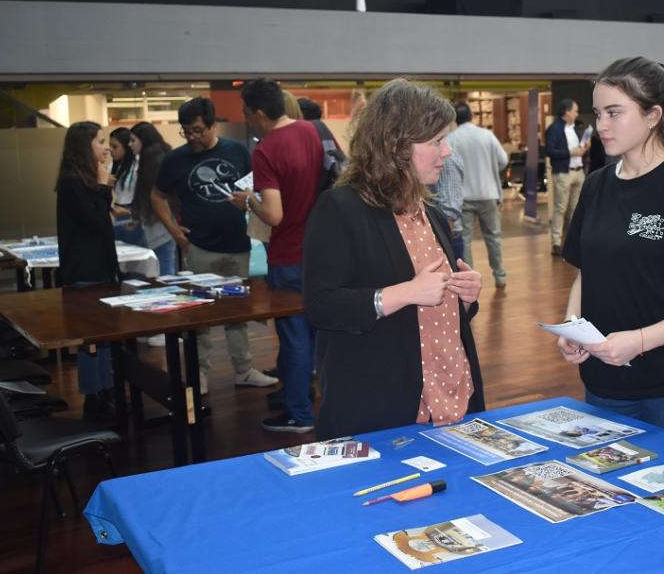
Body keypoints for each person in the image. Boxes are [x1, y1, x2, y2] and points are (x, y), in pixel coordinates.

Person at [556, 57, 664, 442]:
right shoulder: (597, 186)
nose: (601, 125)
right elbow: (587, 273)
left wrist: (640, 340)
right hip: (604, 381)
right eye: (598, 113)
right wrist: (571, 323)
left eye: (614, 113)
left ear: (653, 116)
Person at [304, 78, 486, 438]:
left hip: (453, 401)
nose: (446, 151)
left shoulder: (430, 213)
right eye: (436, 141)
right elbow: (321, 305)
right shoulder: (341, 209)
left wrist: (465, 297)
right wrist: (404, 292)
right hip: (385, 410)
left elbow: (434, 311)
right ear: (396, 145)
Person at [152, 97, 278, 394]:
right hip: (198, 247)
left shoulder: (237, 151)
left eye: (198, 130)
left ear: (212, 125)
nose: (193, 137)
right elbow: (157, 195)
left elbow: (257, 189)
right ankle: (199, 374)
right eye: (187, 131)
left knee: (238, 314)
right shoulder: (176, 159)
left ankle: (244, 370)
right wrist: (174, 230)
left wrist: (250, 204)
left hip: (237, 244)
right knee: (199, 316)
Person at [230, 79, 324, 433]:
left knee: (294, 337)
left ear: (257, 113)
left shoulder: (266, 149)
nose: (245, 119)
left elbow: (274, 215)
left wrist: (247, 201)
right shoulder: (309, 131)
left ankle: (299, 413)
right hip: (317, 251)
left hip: (286, 254)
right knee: (314, 336)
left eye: (244, 112)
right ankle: (311, 402)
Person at [55, 121, 119, 423]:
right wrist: (105, 186)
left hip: (100, 267)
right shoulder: (71, 182)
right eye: (100, 141)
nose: (106, 147)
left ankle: (106, 389)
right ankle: (95, 395)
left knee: (104, 334)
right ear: (85, 146)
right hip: (84, 270)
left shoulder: (86, 179)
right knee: (91, 337)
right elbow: (95, 222)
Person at [448, 102, 508, 288]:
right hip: (488, 192)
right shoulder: (487, 135)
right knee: (493, 237)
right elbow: (503, 161)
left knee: (465, 239)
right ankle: (499, 276)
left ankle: (468, 280)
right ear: (472, 115)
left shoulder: (452, 139)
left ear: (455, 119)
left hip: (463, 197)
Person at [130, 122, 176, 277]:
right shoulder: (153, 158)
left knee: (164, 273)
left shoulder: (155, 161)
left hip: (161, 227)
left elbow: (155, 197)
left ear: (144, 140)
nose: (130, 145)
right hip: (159, 225)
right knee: (163, 271)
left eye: (133, 140)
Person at [546, 98, 590, 255]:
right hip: (564, 172)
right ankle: (556, 242)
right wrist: (570, 152)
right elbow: (549, 151)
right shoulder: (554, 129)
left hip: (578, 171)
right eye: (575, 110)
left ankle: (574, 241)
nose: (577, 113)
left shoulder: (575, 129)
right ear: (566, 111)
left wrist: (583, 148)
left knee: (576, 209)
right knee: (560, 208)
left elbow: (578, 149)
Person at [108, 127, 144, 246]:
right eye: (110, 146)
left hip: (134, 214)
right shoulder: (112, 167)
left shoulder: (139, 165)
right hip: (118, 213)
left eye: (115, 147)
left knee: (137, 253)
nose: (110, 150)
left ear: (126, 146)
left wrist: (132, 212)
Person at [428, 151, 466, 261]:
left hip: (447, 236)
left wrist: (442, 241)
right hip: (443, 235)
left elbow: (450, 211)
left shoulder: (447, 158)